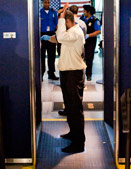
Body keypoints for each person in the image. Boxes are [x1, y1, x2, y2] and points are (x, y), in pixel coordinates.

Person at [41, 4, 86, 153]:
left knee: (75, 108)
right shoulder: (70, 33)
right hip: (67, 72)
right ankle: (73, 133)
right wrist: (49, 37)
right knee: (70, 106)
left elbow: (60, 36)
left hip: (74, 74)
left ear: (67, 22)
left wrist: (60, 18)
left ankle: (79, 143)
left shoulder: (75, 32)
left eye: (62, 22)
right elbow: (58, 38)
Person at [80, 5, 101, 81]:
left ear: (88, 12)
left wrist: (89, 35)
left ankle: (88, 74)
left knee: (89, 58)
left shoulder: (95, 20)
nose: (83, 12)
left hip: (91, 42)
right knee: (81, 58)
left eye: (84, 11)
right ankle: (80, 74)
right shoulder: (82, 19)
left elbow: (98, 31)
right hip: (82, 41)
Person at [40, 0, 59, 80]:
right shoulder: (39, 12)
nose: (47, 4)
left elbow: (56, 24)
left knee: (52, 55)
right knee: (42, 56)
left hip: (51, 35)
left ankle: (51, 73)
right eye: (45, 2)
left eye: (48, 2)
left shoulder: (53, 12)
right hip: (42, 35)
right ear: (42, 3)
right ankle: (41, 74)